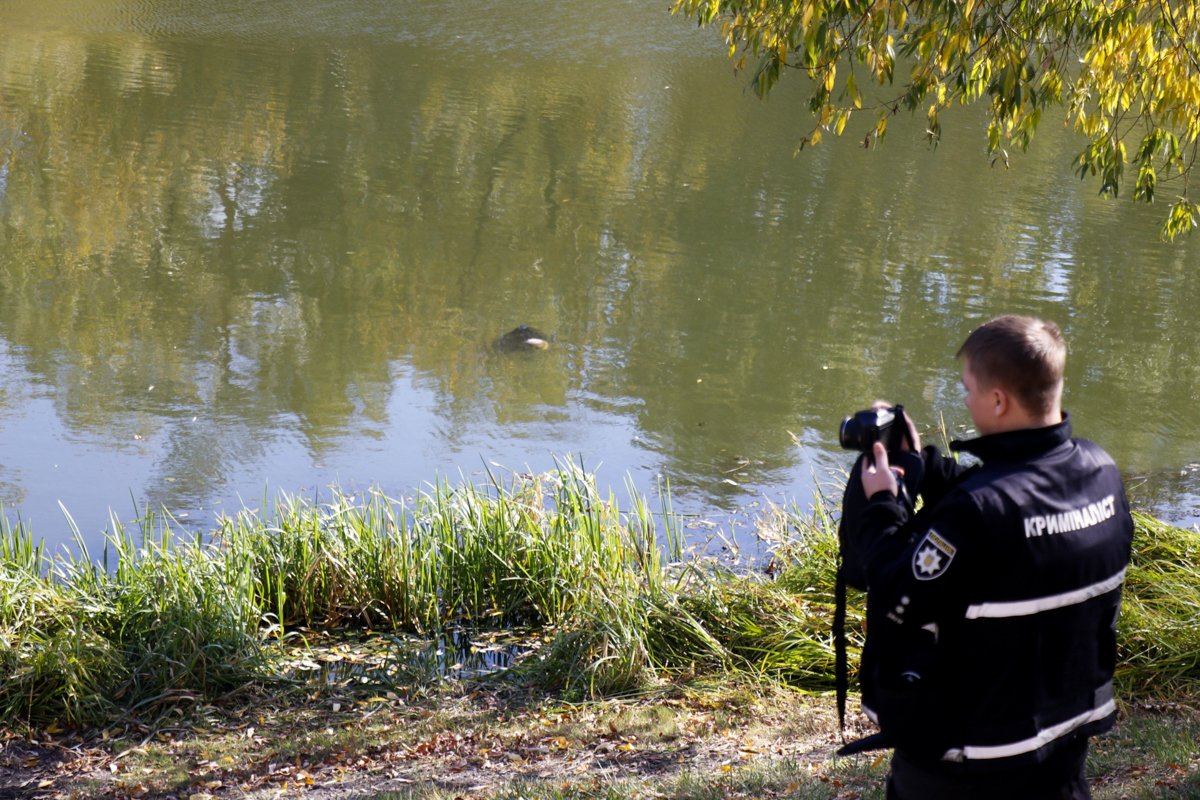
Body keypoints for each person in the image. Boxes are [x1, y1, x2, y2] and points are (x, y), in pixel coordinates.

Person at [837, 315, 1134, 800]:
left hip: (970, 763)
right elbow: (1017, 502)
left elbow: (895, 588)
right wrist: (926, 466)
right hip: (1061, 748)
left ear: (998, 401)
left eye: (968, 389)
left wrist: (881, 506)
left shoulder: (975, 513)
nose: (966, 399)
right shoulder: (1100, 473)